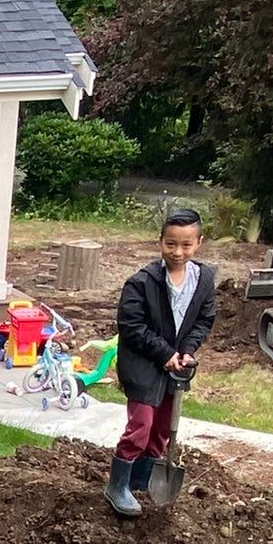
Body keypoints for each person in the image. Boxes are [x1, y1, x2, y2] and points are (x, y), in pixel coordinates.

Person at [108, 209, 217, 518]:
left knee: (160, 431)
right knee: (141, 426)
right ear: (160, 243)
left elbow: (205, 319)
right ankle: (117, 485)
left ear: (198, 243)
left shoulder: (204, 280)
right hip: (142, 363)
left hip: (176, 366)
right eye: (171, 244)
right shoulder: (141, 282)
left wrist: (187, 351)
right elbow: (131, 326)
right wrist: (164, 353)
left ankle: (141, 482)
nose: (178, 252)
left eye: (186, 245)